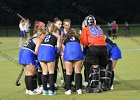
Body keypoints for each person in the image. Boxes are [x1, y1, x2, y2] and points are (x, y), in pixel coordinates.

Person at [80, 15, 108, 93]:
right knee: (102, 66)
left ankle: (94, 86)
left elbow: (84, 42)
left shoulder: (86, 29)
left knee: (91, 66)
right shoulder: (99, 28)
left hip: (94, 48)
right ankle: (104, 85)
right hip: (104, 48)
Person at [18, 27, 45, 95]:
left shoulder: (32, 38)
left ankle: (28, 89)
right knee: (31, 73)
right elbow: (36, 51)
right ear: (42, 34)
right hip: (28, 54)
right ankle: (32, 90)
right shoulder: (40, 39)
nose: (45, 37)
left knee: (27, 73)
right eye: (45, 35)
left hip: (22, 52)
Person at [38, 25, 61, 95]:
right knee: (51, 72)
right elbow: (58, 48)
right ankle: (51, 91)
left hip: (41, 51)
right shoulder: (56, 36)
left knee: (44, 72)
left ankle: (45, 90)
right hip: (49, 51)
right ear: (55, 31)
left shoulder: (47, 36)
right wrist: (59, 39)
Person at [63, 29, 83, 95]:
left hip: (68, 54)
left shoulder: (65, 40)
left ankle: (68, 90)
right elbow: (81, 46)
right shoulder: (78, 38)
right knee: (78, 72)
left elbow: (63, 49)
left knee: (68, 72)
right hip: (77, 54)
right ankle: (79, 89)